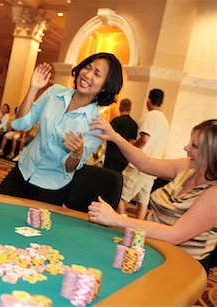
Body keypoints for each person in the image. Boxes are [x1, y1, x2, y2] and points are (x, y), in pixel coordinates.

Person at [88, 118, 217, 272]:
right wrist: (115, 137)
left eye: (194, 146)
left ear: (211, 154)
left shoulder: (214, 193)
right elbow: (146, 163)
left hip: (182, 265)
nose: (186, 147)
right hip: (152, 248)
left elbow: (175, 235)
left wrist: (116, 219)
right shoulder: (188, 166)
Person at [0, 53, 123, 206]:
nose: (88, 75)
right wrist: (33, 88)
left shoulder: (97, 125)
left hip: (50, 188)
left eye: (97, 74)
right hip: (22, 170)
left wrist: (77, 153)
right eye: (87, 67)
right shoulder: (54, 92)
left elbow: (69, 168)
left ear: (105, 87)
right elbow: (22, 123)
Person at [117, 89, 170, 219]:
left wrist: (131, 146)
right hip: (154, 168)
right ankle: (138, 228)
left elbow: (145, 139)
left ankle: (123, 220)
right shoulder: (165, 121)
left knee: (118, 193)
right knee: (143, 201)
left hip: (139, 165)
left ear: (148, 100)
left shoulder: (150, 116)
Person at [103, 98, 138, 172]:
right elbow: (133, 142)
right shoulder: (134, 125)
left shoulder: (116, 121)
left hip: (112, 158)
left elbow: (106, 135)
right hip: (125, 159)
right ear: (130, 109)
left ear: (119, 108)